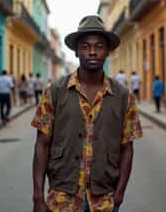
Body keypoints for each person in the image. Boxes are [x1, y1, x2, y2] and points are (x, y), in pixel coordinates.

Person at [31, 15, 143, 212]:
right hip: (62, 199)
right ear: (76, 51)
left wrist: (119, 194)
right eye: (85, 46)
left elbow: (127, 148)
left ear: (107, 51)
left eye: (99, 46)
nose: (92, 52)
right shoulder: (55, 91)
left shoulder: (124, 97)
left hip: (104, 201)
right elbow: (42, 143)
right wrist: (38, 197)